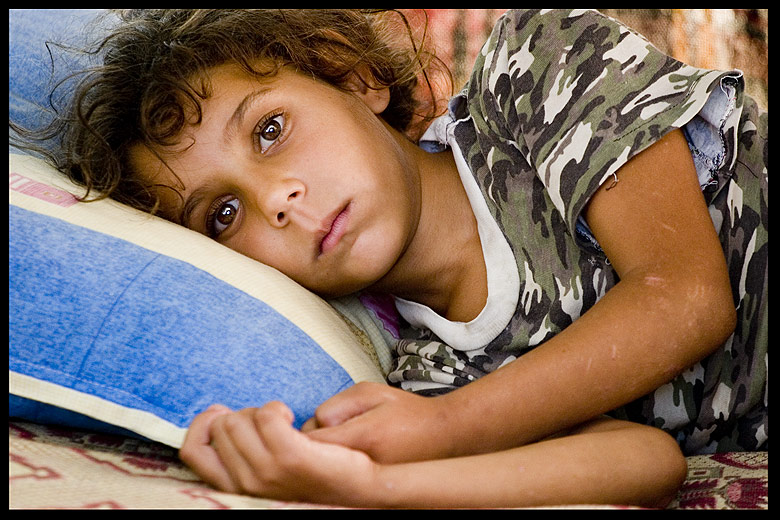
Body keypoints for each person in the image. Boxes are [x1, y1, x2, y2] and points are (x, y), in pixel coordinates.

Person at [11, 9, 767, 508]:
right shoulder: (431, 376)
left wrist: (443, 432)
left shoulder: (536, 65)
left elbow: (684, 297)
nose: (278, 199)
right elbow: (646, 462)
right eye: (225, 214)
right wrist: (368, 485)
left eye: (270, 130)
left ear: (354, 77)